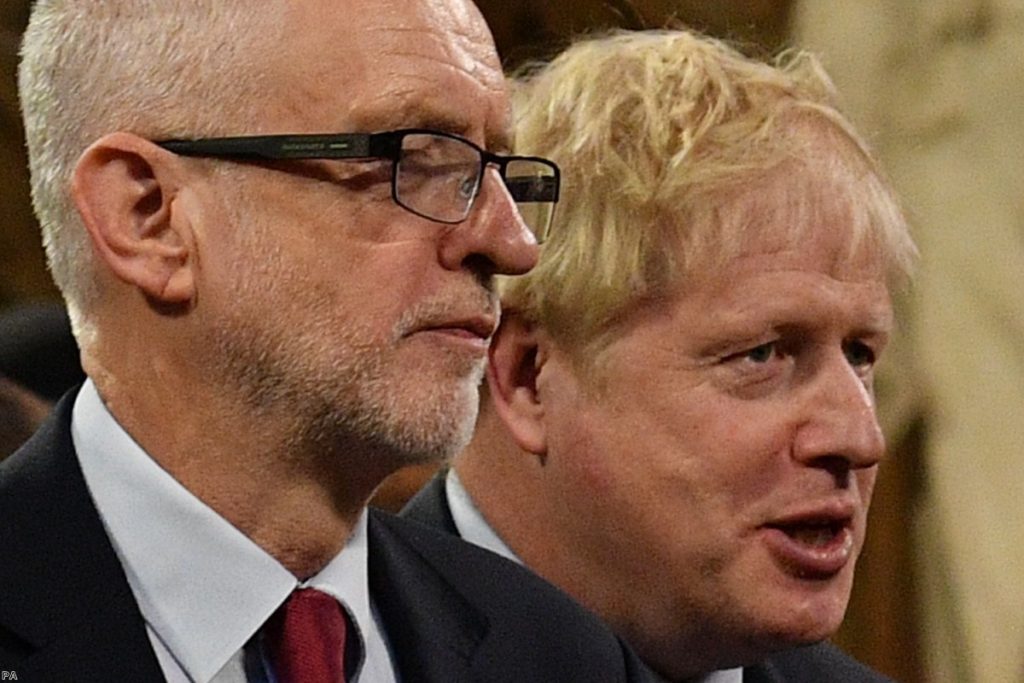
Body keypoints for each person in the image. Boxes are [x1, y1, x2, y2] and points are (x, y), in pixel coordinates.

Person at [1, 1, 652, 681]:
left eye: (496, 173)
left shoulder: (560, 655)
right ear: (150, 216)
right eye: (417, 159)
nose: (511, 244)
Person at [404, 28, 917, 682]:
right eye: (763, 354)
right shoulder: (329, 654)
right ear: (528, 377)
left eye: (861, 353)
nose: (859, 435)